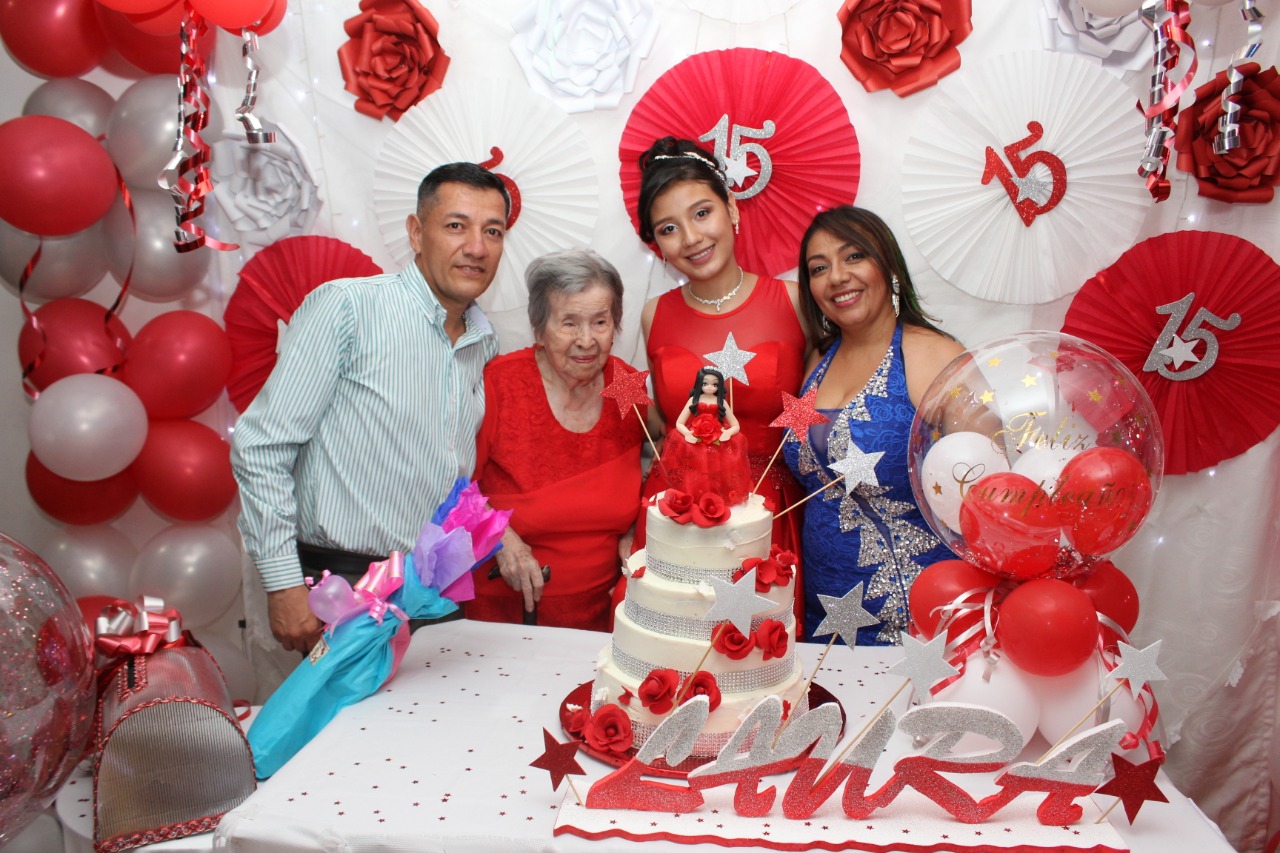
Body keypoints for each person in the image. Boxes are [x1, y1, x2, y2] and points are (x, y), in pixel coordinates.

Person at [231, 161, 511, 653]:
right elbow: (261, 446)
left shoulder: (482, 341)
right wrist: (283, 583)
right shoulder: (347, 308)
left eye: (493, 231)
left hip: (429, 589)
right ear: (416, 233)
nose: (477, 247)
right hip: (337, 587)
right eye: (456, 226)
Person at [633, 136, 810, 626]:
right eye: (669, 228)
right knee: (670, 641)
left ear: (731, 208)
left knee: (755, 651)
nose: (691, 238)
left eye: (702, 213)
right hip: (678, 516)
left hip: (767, 512)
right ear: (657, 244)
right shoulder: (653, 315)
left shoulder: (794, 301)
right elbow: (660, 424)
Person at [782, 206, 965, 645]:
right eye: (819, 268)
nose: (837, 277)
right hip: (825, 611)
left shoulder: (936, 356)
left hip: (916, 617)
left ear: (889, 266)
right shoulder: (817, 360)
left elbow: (987, 487)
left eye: (854, 256)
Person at [465, 249, 644, 631]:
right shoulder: (498, 384)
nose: (586, 340)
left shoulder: (628, 388)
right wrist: (502, 538)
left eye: (600, 322)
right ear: (539, 328)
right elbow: (453, 486)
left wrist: (634, 531)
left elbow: (652, 476)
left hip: (605, 617)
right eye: (569, 323)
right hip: (507, 614)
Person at [661, 366, 751, 507]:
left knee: (717, 470)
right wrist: (687, 433)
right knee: (694, 470)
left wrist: (728, 433)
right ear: (699, 383)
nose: (710, 387)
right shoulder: (694, 400)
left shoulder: (721, 402)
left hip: (717, 439)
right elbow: (679, 423)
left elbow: (736, 425)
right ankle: (693, 496)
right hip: (696, 437)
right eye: (705, 383)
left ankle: (716, 498)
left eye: (714, 384)